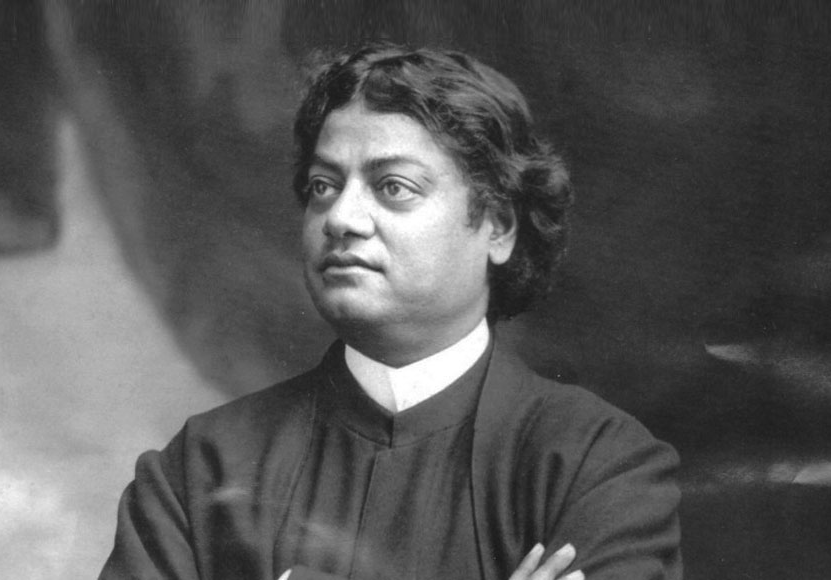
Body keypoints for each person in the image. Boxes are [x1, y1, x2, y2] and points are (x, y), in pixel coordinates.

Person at [99, 44, 682, 580]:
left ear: (498, 226)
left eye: (393, 187)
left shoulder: (595, 464)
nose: (340, 218)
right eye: (323, 185)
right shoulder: (200, 469)